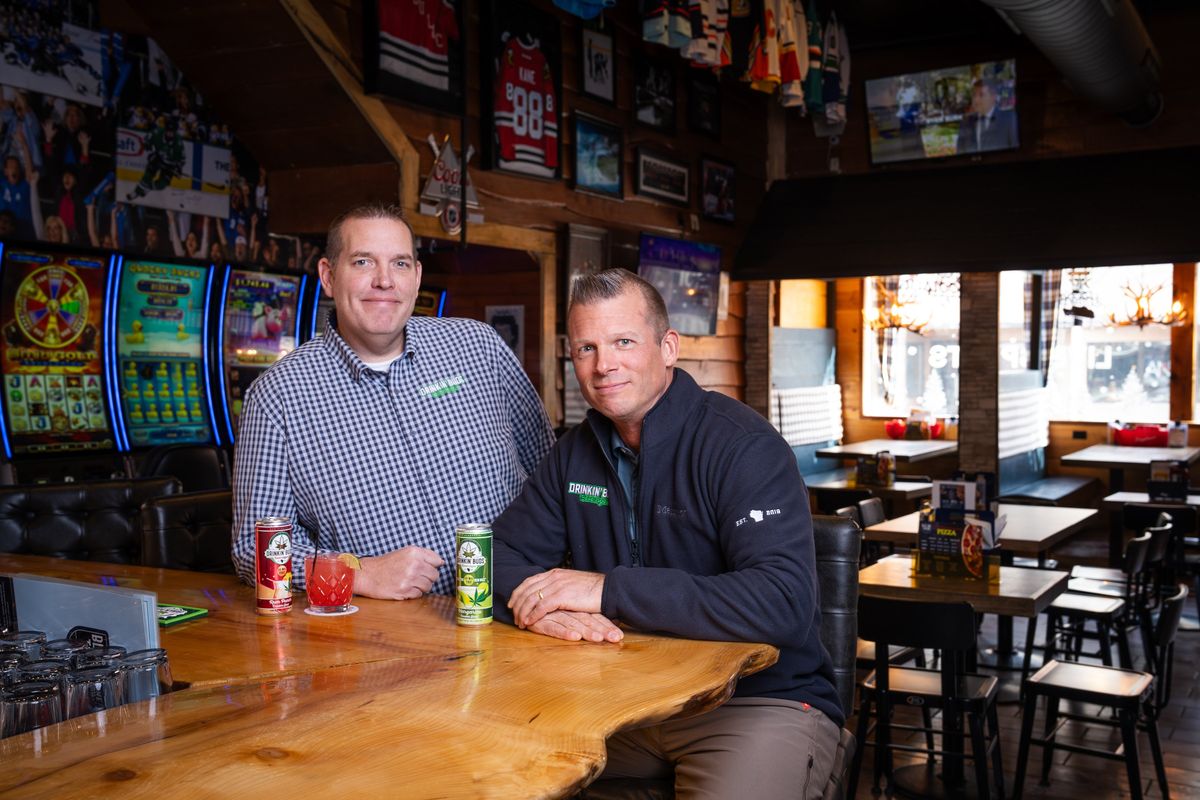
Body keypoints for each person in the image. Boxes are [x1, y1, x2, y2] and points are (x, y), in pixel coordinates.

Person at [492, 268, 842, 798]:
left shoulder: (742, 445)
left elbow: (784, 601)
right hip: (616, 704)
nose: (603, 364)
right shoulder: (573, 454)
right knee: (484, 770)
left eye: (623, 342)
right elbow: (496, 556)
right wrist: (551, 611)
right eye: (586, 347)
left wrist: (605, 590)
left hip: (753, 703)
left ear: (668, 347)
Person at [231, 202, 555, 599]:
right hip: (395, 642)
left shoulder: (480, 348)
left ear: (417, 277)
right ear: (329, 276)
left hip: (523, 612)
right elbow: (253, 550)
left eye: (400, 264)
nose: (384, 280)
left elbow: (549, 477)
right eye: (364, 262)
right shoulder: (277, 397)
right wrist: (359, 574)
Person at [956, 78, 1017, 154]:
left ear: (993, 97)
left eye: (981, 95)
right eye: (974, 95)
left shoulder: (1009, 119)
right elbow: (960, 152)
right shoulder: (966, 122)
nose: (976, 100)